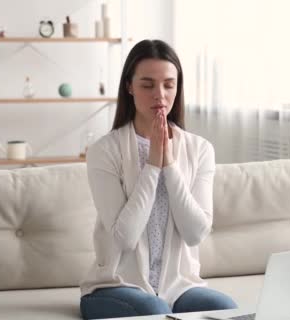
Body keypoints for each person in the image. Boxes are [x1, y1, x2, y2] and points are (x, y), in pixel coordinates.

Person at [79, 39, 237, 319]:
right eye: (147, 84)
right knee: (155, 310)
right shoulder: (104, 151)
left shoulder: (200, 150)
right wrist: (152, 165)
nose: (160, 95)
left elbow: (195, 232)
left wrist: (170, 165)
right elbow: (125, 238)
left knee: (228, 310)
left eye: (169, 84)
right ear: (129, 86)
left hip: (179, 289)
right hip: (114, 287)